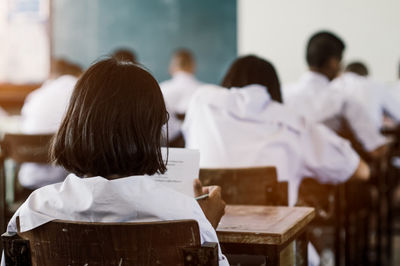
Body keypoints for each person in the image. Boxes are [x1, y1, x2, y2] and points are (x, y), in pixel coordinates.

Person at [1, 58, 228, 266]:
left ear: (74, 125)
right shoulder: (184, 215)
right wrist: (206, 224)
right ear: (151, 131)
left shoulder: (35, 211)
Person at [183, 55, 370, 207]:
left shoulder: (201, 104)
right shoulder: (294, 123)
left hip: (205, 241)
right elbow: (360, 170)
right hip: (272, 248)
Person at [284, 31, 386, 159]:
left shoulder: (283, 94)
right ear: (333, 62)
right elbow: (375, 148)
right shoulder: (343, 99)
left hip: (288, 169)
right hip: (329, 172)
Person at [18, 59, 82, 189]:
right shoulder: (80, 92)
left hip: (31, 178)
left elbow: (24, 127)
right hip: (65, 182)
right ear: (79, 74)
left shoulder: (35, 95)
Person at [331, 61, 400, 128]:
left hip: (337, 134)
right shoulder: (375, 85)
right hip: (370, 135)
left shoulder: (335, 84)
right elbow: (397, 115)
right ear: (367, 76)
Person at [160, 49, 203, 141]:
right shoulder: (205, 91)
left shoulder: (161, 89)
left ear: (171, 67)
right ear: (193, 66)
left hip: (168, 145)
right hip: (197, 141)